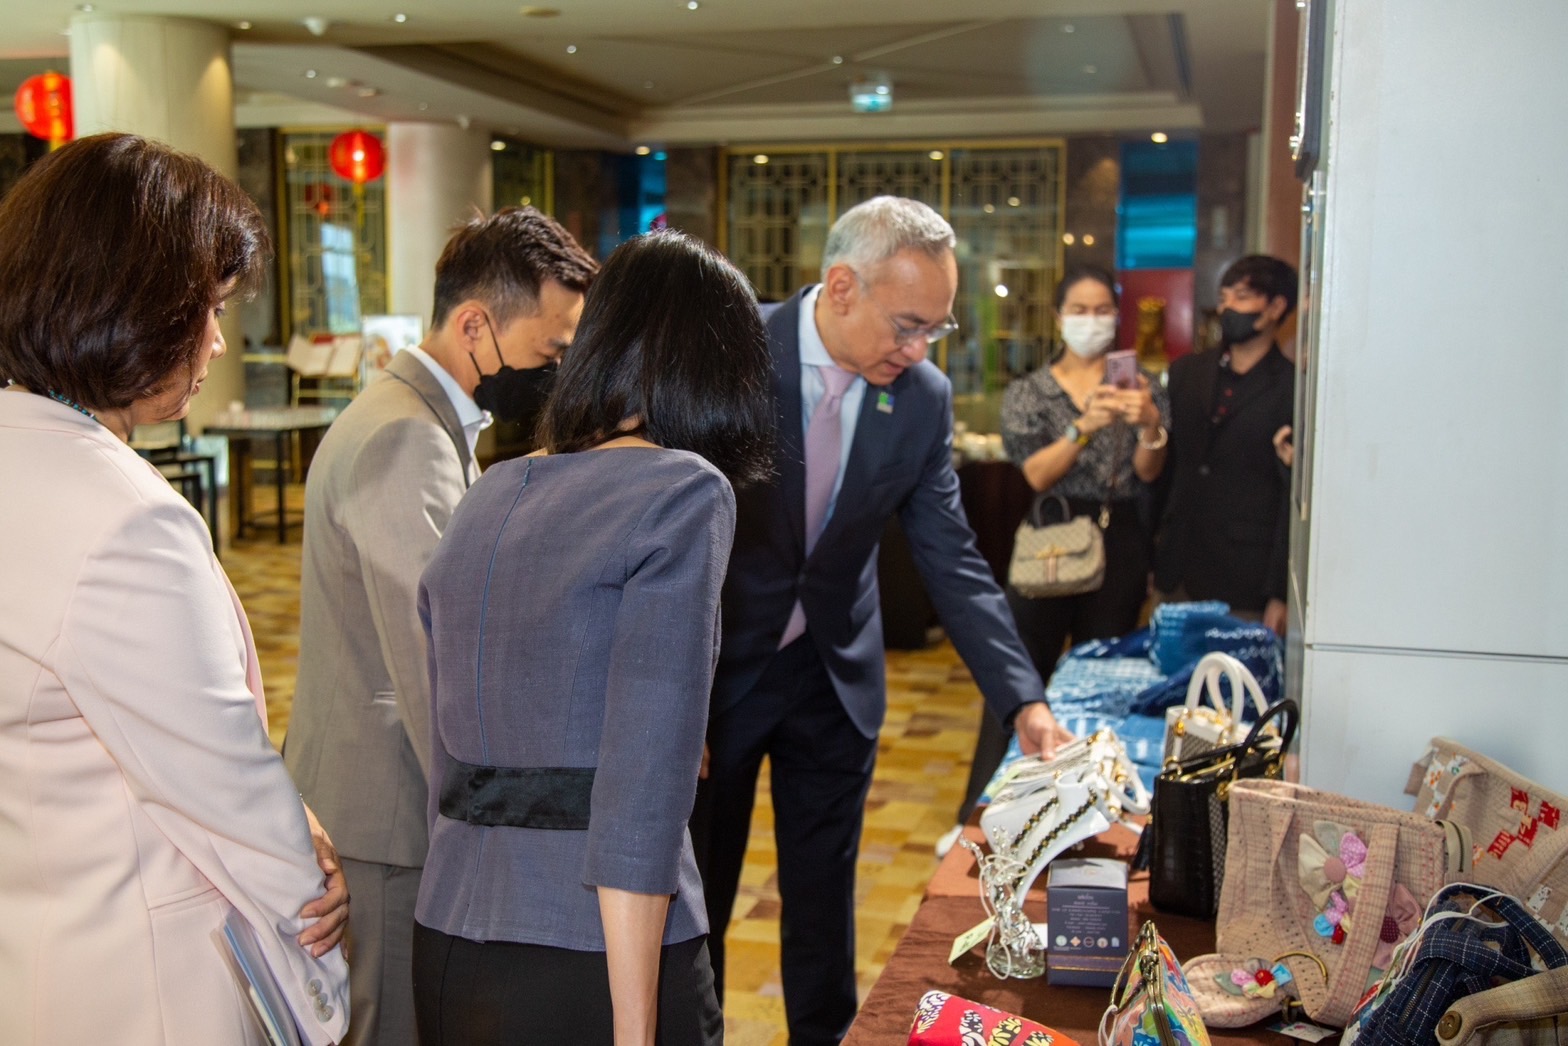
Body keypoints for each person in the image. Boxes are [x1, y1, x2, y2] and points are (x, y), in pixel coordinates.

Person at [693, 195, 1074, 1046]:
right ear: (841, 287)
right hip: (718, 680)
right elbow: (668, 538)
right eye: (908, 326)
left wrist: (1022, 698)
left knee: (824, 908)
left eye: (935, 330)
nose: (919, 350)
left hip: (833, 680)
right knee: (700, 903)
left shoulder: (923, 398)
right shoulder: (726, 354)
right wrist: (673, 694)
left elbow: (951, 557)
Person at [0, 132, 349, 1044]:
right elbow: (221, 780)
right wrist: (312, 903)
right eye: (210, 308)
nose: (219, 340)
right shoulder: (124, 521)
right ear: (136, 305)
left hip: (40, 951)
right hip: (149, 983)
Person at [412, 230, 774, 1046]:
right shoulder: (683, 493)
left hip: (448, 939)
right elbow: (644, 795)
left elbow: (444, 746)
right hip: (594, 960)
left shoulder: (490, 490)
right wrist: (636, 1028)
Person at [284, 206, 596, 1046]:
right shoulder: (405, 438)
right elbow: (432, 658)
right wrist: (495, 827)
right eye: (550, 350)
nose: (556, 372)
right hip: (384, 817)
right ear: (475, 326)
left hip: (379, 803)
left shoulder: (417, 421)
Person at [955, 265, 1170, 821]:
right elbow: (1036, 474)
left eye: (1102, 310)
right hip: (1051, 539)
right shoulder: (1030, 392)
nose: (1091, 321)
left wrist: (1149, 423)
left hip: (1120, 540)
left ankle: (1090, 810)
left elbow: (1149, 471)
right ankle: (983, 811)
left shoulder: (1142, 385)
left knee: (1105, 679)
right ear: (1058, 317)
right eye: (1079, 310)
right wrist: (1085, 424)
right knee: (1019, 676)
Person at [1156, 254, 1298, 635]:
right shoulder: (1186, 372)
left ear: (1275, 307)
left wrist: (1279, 592)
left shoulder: (1292, 389)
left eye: (1242, 297)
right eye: (1223, 297)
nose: (1227, 307)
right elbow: (1167, 469)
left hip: (1246, 577)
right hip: (1179, 565)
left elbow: (1290, 496)